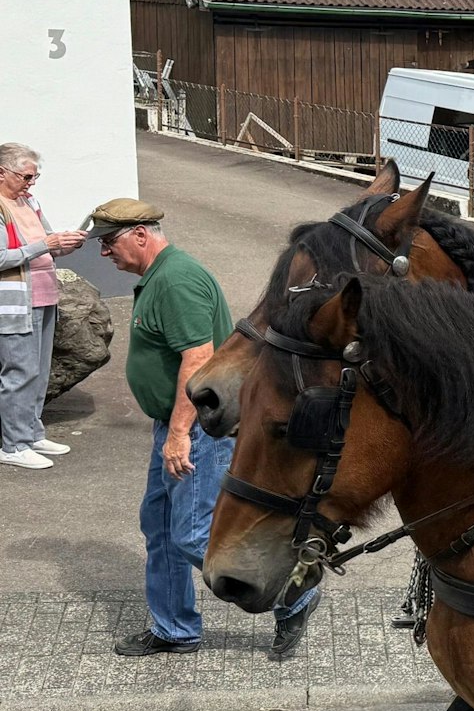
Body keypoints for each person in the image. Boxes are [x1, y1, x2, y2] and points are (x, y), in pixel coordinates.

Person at [90, 199, 320, 658]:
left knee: (194, 533)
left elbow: (198, 359)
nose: (104, 252)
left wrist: (179, 433)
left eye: (109, 241)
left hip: (196, 428)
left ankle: (295, 593)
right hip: (174, 426)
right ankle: (174, 628)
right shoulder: (159, 276)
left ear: (141, 234)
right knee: (159, 526)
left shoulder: (176, 280)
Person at [0, 143, 89, 470]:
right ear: (2, 173)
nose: (31, 183)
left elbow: (47, 243)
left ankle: (32, 433)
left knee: (37, 372)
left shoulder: (29, 202)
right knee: (19, 373)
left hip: (44, 295)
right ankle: (13, 444)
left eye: (34, 177)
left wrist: (66, 243)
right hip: (14, 304)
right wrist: (45, 245)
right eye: (26, 176)